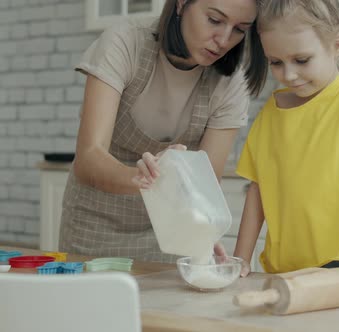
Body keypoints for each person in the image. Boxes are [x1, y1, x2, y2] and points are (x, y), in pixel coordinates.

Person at [59, 0, 268, 263]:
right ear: (181, 3)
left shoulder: (231, 84)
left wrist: (204, 229)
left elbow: (205, 185)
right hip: (94, 224)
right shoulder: (125, 42)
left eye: (240, 29)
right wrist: (143, 178)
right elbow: (89, 158)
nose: (224, 40)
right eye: (214, 20)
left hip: (169, 233)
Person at [234, 0, 339, 276]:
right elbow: (257, 192)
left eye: (301, 60)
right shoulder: (270, 113)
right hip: (281, 269)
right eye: (276, 63)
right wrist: (240, 260)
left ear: (337, 45)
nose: (289, 74)